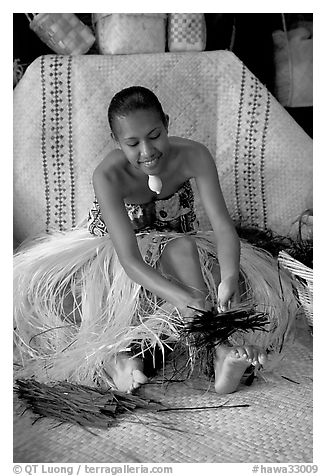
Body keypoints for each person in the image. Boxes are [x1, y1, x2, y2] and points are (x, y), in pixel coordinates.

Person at [13, 86, 297, 395]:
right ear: (116, 142)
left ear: (167, 123)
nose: (147, 152)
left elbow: (223, 227)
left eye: (155, 135)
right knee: (71, 299)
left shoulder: (193, 154)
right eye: (132, 143)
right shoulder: (107, 175)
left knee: (213, 272)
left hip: (178, 253)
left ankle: (213, 352)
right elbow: (131, 260)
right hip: (124, 262)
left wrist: (228, 275)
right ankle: (141, 356)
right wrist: (177, 295)